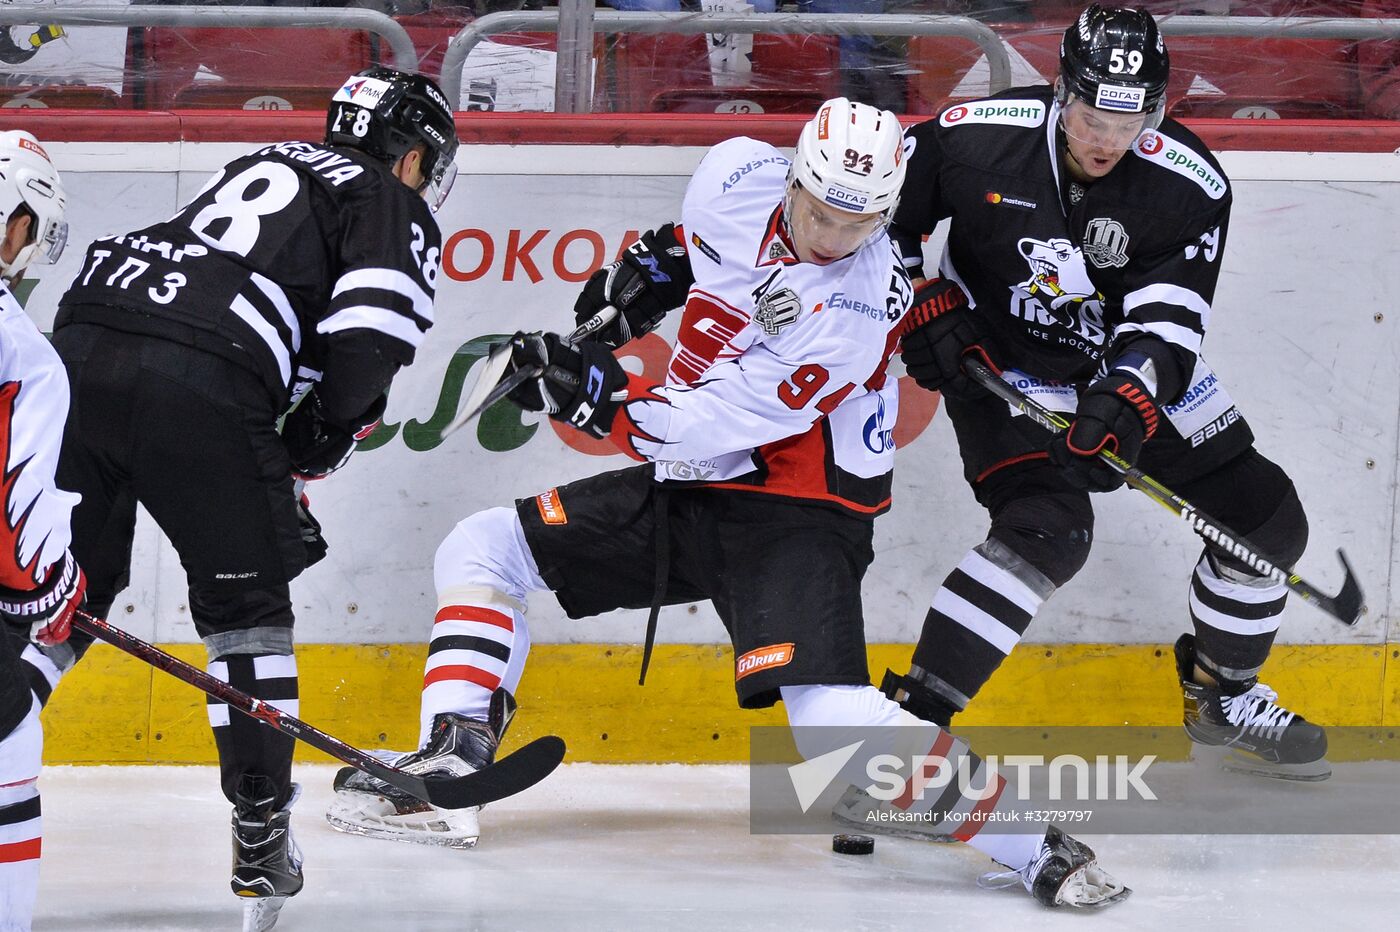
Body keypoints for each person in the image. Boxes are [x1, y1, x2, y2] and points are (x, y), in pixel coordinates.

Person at [325, 96, 1129, 909]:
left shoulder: (857, 306)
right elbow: (695, 250)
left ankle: (1036, 845)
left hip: (799, 509)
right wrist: (647, 278)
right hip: (691, 490)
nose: (835, 238)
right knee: (482, 548)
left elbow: (712, 424)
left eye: (861, 225)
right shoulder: (736, 174)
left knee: (832, 735)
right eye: (820, 214)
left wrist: (598, 401)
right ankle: (454, 757)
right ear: (793, 178)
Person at [868, 3, 1324, 796]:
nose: (1107, 140)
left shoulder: (1189, 184)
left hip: (1112, 365)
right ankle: (904, 736)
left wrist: (1128, 398)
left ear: (1156, 108)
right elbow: (874, 216)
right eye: (1089, 117)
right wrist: (917, 301)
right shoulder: (977, 135)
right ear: (1061, 91)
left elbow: (1169, 321)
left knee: (1268, 525)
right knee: (1048, 528)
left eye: (1131, 120)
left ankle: (1222, 693)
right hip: (996, 358)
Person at [46, 66, 458, 931]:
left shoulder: (262, 160)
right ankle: (262, 829)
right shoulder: (388, 200)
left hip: (83, 336)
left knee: (63, 586)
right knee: (247, 612)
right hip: (200, 370)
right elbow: (367, 345)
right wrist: (327, 434)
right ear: (412, 156)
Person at [0, 130, 85, 932]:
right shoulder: (24, 352)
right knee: (9, 745)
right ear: (15, 225)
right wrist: (58, 588)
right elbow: (20, 544)